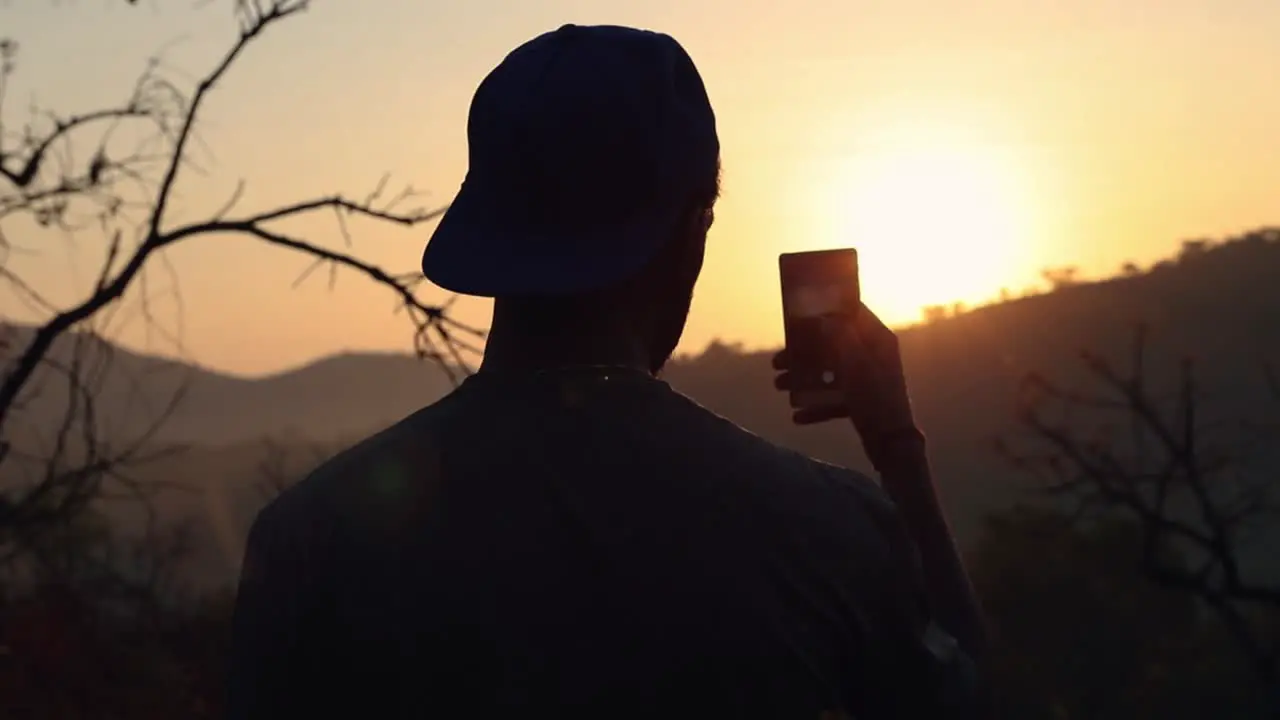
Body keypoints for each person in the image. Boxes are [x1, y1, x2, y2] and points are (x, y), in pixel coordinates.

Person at [226, 24, 987, 719]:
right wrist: (896, 444)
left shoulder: (306, 544)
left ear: (489, 226)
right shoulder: (829, 534)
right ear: (694, 228)